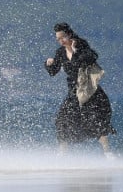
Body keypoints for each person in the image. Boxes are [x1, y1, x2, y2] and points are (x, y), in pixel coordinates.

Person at [45, 22, 116, 156]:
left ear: (69, 34)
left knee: (96, 120)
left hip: (89, 91)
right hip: (73, 92)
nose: (61, 41)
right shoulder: (60, 52)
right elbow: (53, 72)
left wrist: (76, 51)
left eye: (63, 38)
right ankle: (62, 155)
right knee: (62, 120)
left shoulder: (81, 45)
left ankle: (108, 153)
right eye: (58, 39)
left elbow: (92, 58)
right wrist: (49, 64)